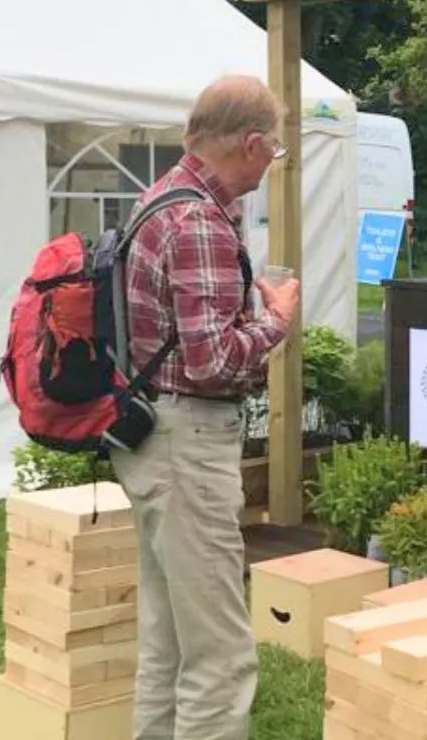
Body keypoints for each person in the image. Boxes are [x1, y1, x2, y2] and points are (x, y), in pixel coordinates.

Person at [111, 75, 300, 740]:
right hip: (189, 443)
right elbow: (213, 361)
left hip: (151, 436)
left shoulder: (159, 199)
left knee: (167, 646)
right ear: (250, 144)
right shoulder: (201, 225)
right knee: (220, 657)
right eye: (272, 152)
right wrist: (276, 322)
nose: (268, 165)